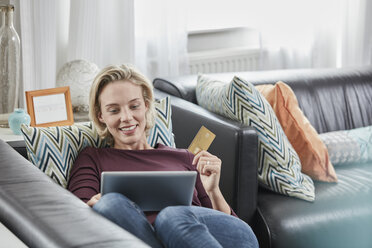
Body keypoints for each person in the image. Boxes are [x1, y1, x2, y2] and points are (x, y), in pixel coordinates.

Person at [67, 64, 259, 248]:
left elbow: (234, 232)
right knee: (110, 204)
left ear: (146, 106)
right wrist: (91, 206)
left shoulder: (184, 157)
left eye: (134, 106)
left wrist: (213, 190)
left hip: (219, 237)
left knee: (172, 216)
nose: (126, 117)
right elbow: (75, 218)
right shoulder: (92, 158)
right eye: (114, 110)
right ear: (101, 116)